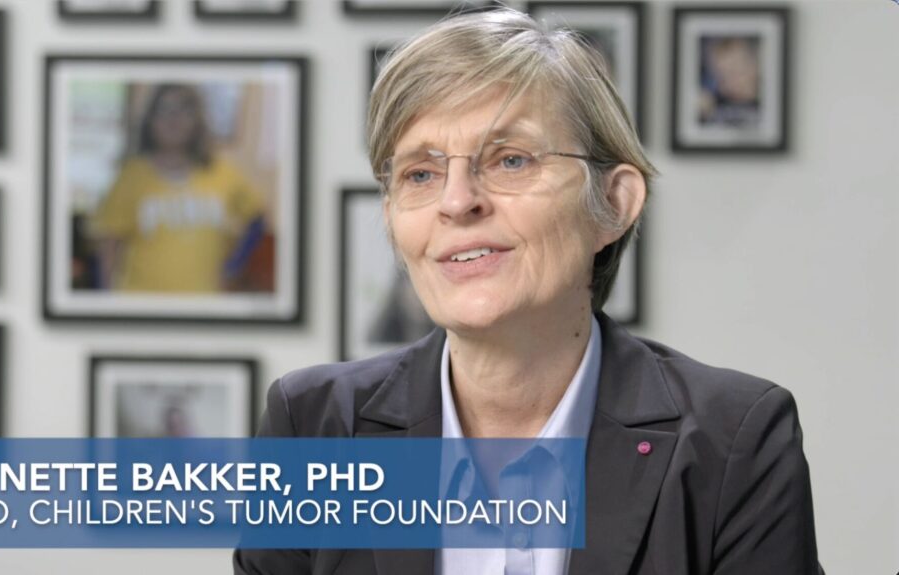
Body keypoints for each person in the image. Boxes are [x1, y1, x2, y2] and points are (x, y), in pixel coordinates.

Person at [235, 8, 821, 575]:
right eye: (419, 173)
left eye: (510, 160)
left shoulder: (736, 440)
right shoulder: (312, 426)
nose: (457, 201)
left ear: (613, 205)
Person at [91, 84, 266, 293]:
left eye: (184, 109)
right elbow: (109, 244)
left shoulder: (222, 172)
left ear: (197, 119)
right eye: (164, 109)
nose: (174, 118)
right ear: (150, 120)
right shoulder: (130, 175)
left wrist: (233, 266)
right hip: (141, 302)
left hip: (204, 303)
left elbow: (258, 218)